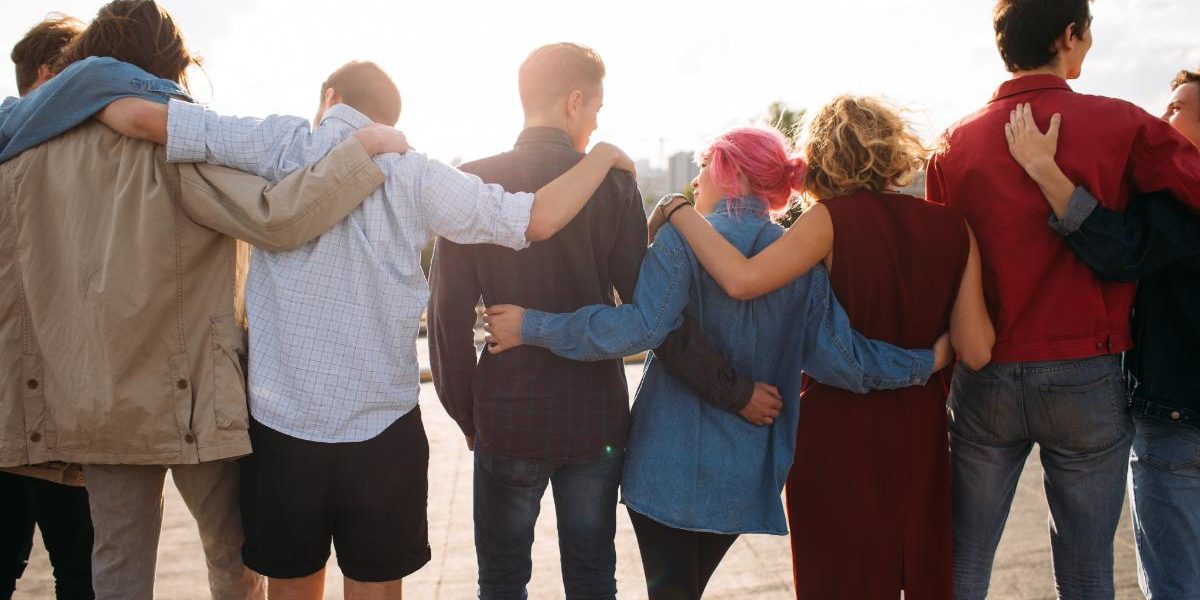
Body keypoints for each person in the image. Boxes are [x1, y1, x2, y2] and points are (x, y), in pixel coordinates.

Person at [97, 56, 639, 597]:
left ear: (329, 97)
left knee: (290, 588)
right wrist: (604, 157)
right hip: (384, 432)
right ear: (389, 119)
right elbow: (535, 218)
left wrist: (73, 97)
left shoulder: (279, 145)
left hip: (282, 427)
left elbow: (142, 119)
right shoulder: (415, 172)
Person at [0, 2, 409, 599]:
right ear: (170, 60)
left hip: (96, 402)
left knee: (116, 567)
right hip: (192, 393)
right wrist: (362, 152)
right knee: (232, 562)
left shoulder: (24, 154)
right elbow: (279, 216)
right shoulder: (176, 139)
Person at [484, 125, 957, 600]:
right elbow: (843, 359)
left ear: (728, 170)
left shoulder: (681, 242)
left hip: (663, 470)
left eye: (704, 166)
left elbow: (640, 329)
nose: (696, 181)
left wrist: (532, 326)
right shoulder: (796, 258)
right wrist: (927, 361)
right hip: (742, 473)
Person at [428, 43, 753, 600]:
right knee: (592, 578)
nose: (598, 121)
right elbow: (653, 313)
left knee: (501, 582)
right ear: (575, 102)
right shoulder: (613, 185)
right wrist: (733, 388)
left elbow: (445, 316)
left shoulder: (473, 181)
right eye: (597, 108)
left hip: (507, 414)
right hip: (593, 421)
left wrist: (468, 413)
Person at [646, 97, 992, 599]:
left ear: (822, 157)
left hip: (836, 431)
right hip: (919, 432)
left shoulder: (828, 221)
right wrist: (935, 357)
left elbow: (743, 281)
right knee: (918, 575)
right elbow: (977, 350)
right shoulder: (953, 227)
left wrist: (678, 212)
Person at [925, 1, 1200, 596]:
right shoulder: (1121, 124)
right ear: (1068, 36)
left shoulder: (954, 144)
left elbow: (941, 270)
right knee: (1085, 573)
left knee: (961, 564)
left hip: (986, 373)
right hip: (1087, 375)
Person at [1004, 85, 1200, 598]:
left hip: (1179, 423)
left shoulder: (1183, 201)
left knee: (1177, 584)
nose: (1162, 115)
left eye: (1176, 106)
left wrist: (1044, 170)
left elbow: (1121, 250)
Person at [0, 15, 95, 600]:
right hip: (61, 413)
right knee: (81, 573)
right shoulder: (70, 160)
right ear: (49, 75)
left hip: (13, 407)